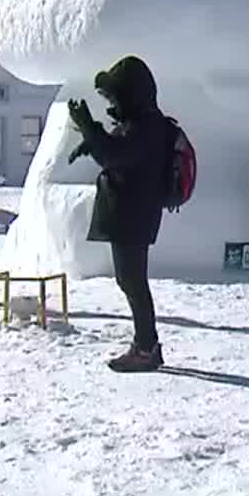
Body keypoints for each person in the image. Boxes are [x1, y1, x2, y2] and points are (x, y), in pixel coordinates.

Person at [68, 55, 173, 372]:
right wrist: (91, 140)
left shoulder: (147, 126)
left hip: (133, 214)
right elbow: (117, 149)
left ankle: (146, 348)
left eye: (114, 95)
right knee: (130, 281)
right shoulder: (143, 123)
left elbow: (117, 155)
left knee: (132, 281)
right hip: (132, 213)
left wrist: (89, 128)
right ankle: (146, 344)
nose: (112, 101)